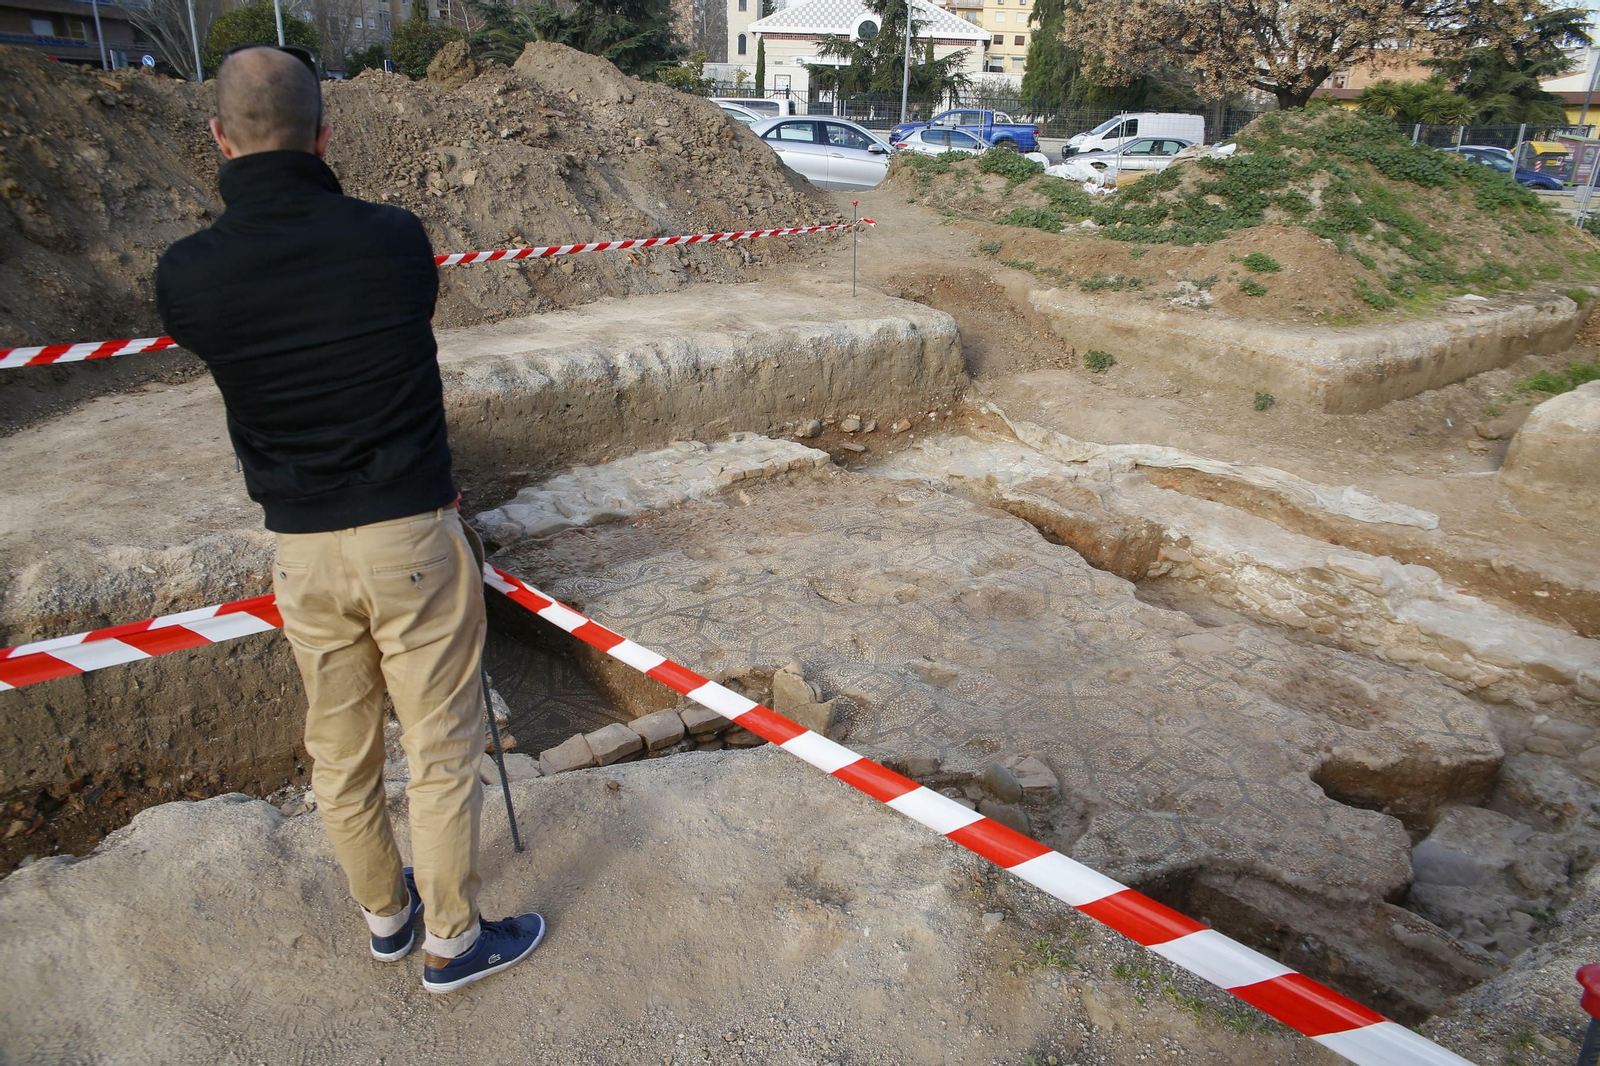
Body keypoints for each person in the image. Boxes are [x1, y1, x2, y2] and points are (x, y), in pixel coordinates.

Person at [155, 44, 543, 994]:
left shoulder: (188, 276)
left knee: (340, 747)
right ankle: (452, 941)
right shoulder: (393, 240)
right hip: (410, 536)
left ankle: (387, 914)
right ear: (326, 135)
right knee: (442, 746)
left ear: (218, 137)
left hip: (302, 550)